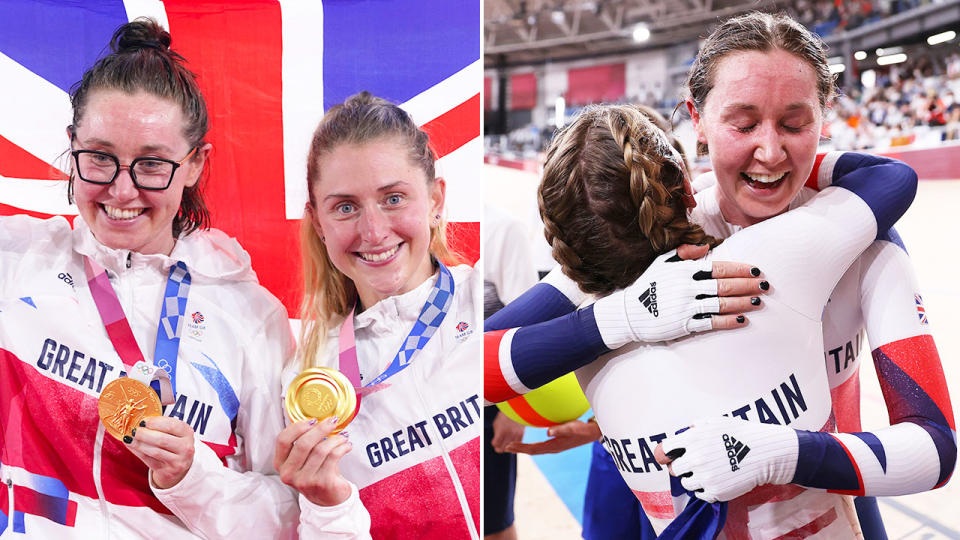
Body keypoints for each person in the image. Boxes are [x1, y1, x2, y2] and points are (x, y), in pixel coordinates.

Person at [488, 12, 955, 540]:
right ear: (698, 120)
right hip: (686, 481)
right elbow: (473, 361)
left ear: (826, 117)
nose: (771, 151)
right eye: (744, 123)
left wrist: (778, 453)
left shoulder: (866, 239)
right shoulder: (648, 233)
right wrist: (624, 319)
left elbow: (933, 445)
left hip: (829, 486)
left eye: (796, 124)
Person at [0, 18, 328, 538]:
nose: (122, 191)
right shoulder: (16, 260)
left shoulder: (250, 316)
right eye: (100, 158)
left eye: (152, 165)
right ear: (71, 144)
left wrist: (192, 476)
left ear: (196, 163)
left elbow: (288, 515)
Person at [274, 92, 481, 539]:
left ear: (435, 199)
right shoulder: (310, 379)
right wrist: (325, 511)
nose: (373, 232)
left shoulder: (487, 304)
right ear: (317, 222)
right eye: (345, 207)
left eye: (393, 198)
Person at [483, 204, 539, 540]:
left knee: (494, 524)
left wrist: (514, 410)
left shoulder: (502, 229)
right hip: (435, 403)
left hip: (489, 408)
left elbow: (527, 327)